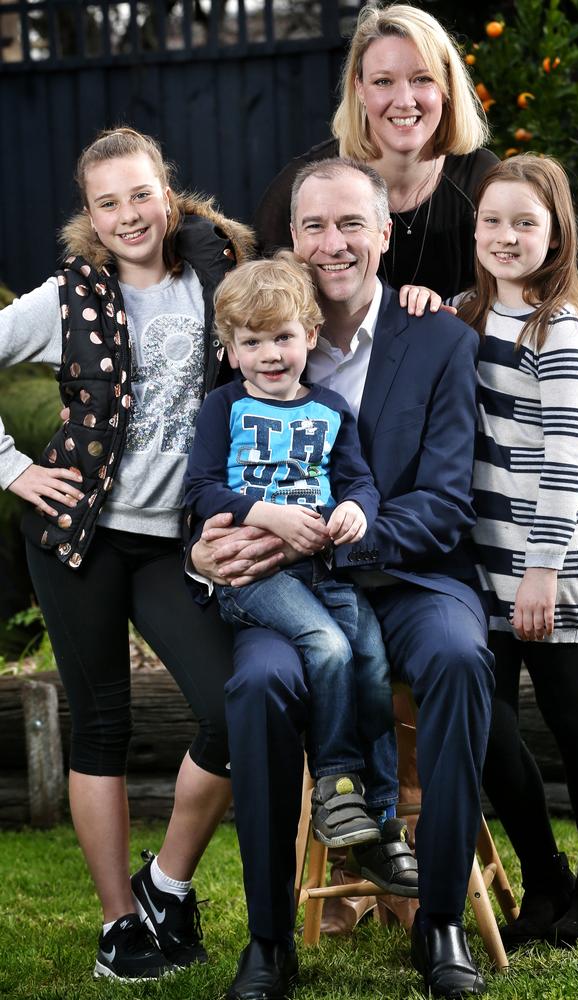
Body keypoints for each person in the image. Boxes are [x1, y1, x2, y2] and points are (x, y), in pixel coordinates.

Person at [190, 157, 495, 1000]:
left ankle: (438, 923)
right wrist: (204, 552)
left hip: (410, 582)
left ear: (384, 233)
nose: (334, 243)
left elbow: (440, 502)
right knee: (255, 688)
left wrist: (324, 547)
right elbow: (209, 485)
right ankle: (268, 939)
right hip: (287, 599)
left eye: (352, 223)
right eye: (315, 226)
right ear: (292, 238)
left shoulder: (439, 340)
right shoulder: (255, 337)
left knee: (460, 660)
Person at [0, 126, 255, 980]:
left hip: (173, 543)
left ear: (167, 189)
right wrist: (16, 470)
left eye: (140, 193)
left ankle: (167, 881)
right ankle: (120, 927)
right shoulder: (67, 296)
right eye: (107, 202)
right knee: (101, 725)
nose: (128, 214)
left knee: (232, 707)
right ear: (90, 214)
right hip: (79, 534)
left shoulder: (217, 275)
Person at [184, 251, 417, 894]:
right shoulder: (223, 409)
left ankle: (379, 815)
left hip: (325, 571)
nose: (270, 354)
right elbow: (202, 489)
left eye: (283, 337)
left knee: (369, 654)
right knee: (328, 646)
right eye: (251, 341)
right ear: (229, 349)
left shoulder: (333, 410)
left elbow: (360, 484)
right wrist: (267, 515)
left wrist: (351, 512)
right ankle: (337, 783)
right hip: (256, 576)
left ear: (310, 336)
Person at [455, 153, 578, 949]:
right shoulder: (466, 313)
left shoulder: (557, 327)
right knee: (486, 727)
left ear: (556, 231)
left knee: (570, 717)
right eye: (493, 219)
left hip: (549, 566)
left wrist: (542, 570)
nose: (506, 235)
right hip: (479, 567)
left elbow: (566, 460)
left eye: (526, 221)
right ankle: (545, 877)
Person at [255, 2, 497, 306]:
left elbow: (517, 292)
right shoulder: (306, 186)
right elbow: (260, 308)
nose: (404, 101)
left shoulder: (482, 181)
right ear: (359, 88)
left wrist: (464, 320)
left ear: (446, 85)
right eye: (383, 81)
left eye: (422, 78)